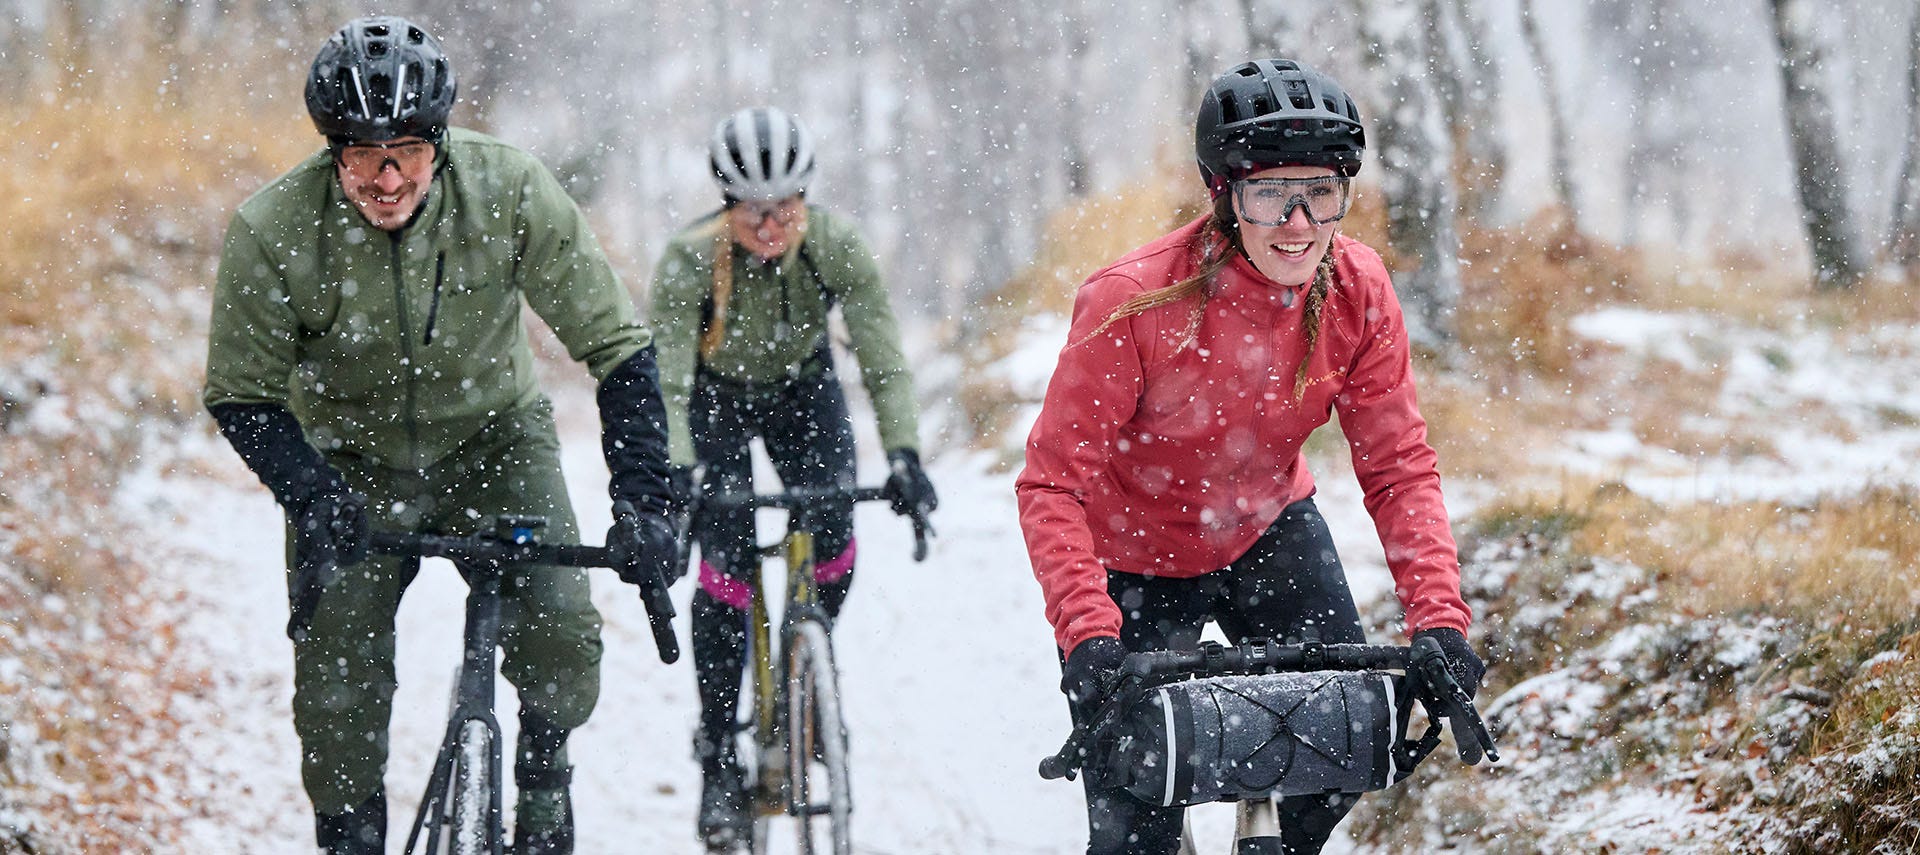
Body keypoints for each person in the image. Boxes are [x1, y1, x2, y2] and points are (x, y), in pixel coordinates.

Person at [202, 16, 679, 855]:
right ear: (332, 150)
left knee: (563, 632)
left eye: (408, 153)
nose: (387, 179)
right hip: (348, 461)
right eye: (361, 154)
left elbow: (620, 348)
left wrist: (644, 499)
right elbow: (242, 395)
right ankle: (350, 837)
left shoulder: (511, 189)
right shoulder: (272, 230)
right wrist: (311, 495)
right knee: (335, 688)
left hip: (495, 442)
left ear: (441, 143)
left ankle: (541, 776)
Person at [1014, 58, 1487, 855]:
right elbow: (1051, 484)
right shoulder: (1130, 303)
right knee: (1136, 828)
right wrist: (1088, 634)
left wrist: (1438, 617)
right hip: (1131, 558)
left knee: (1341, 753)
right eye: (1271, 193)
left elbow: (1398, 467)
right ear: (1224, 196)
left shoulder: (1359, 289)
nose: (1299, 222)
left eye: (1321, 192)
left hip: (1268, 531)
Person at [647, 106, 937, 851]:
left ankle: (805, 669)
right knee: (725, 565)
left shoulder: (835, 245)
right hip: (715, 397)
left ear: (805, 198)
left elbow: (882, 356)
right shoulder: (688, 260)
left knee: (836, 525)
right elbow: (668, 384)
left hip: (802, 389)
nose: (771, 226)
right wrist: (677, 468)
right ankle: (718, 752)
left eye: (784, 209)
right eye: (752, 211)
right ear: (727, 204)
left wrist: (904, 452)